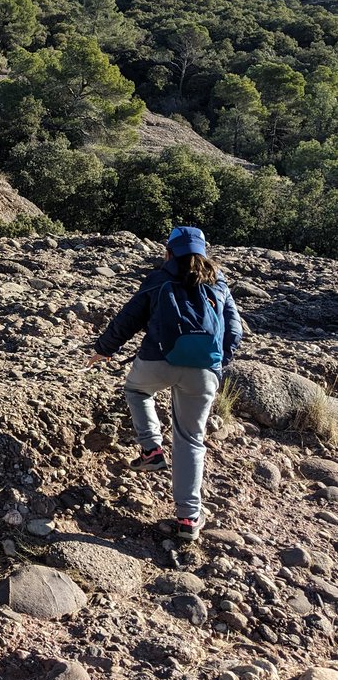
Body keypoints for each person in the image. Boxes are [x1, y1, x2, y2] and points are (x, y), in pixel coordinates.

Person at [87, 226, 243, 542]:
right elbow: (235, 332)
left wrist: (103, 350)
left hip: (158, 361)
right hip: (203, 371)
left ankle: (151, 448)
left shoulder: (158, 280)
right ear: (203, 252)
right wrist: (216, 365)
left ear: (168, 252)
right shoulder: (219, 283)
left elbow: (128, 319)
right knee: (190, 440)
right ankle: (188, 520)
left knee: (136, 389)